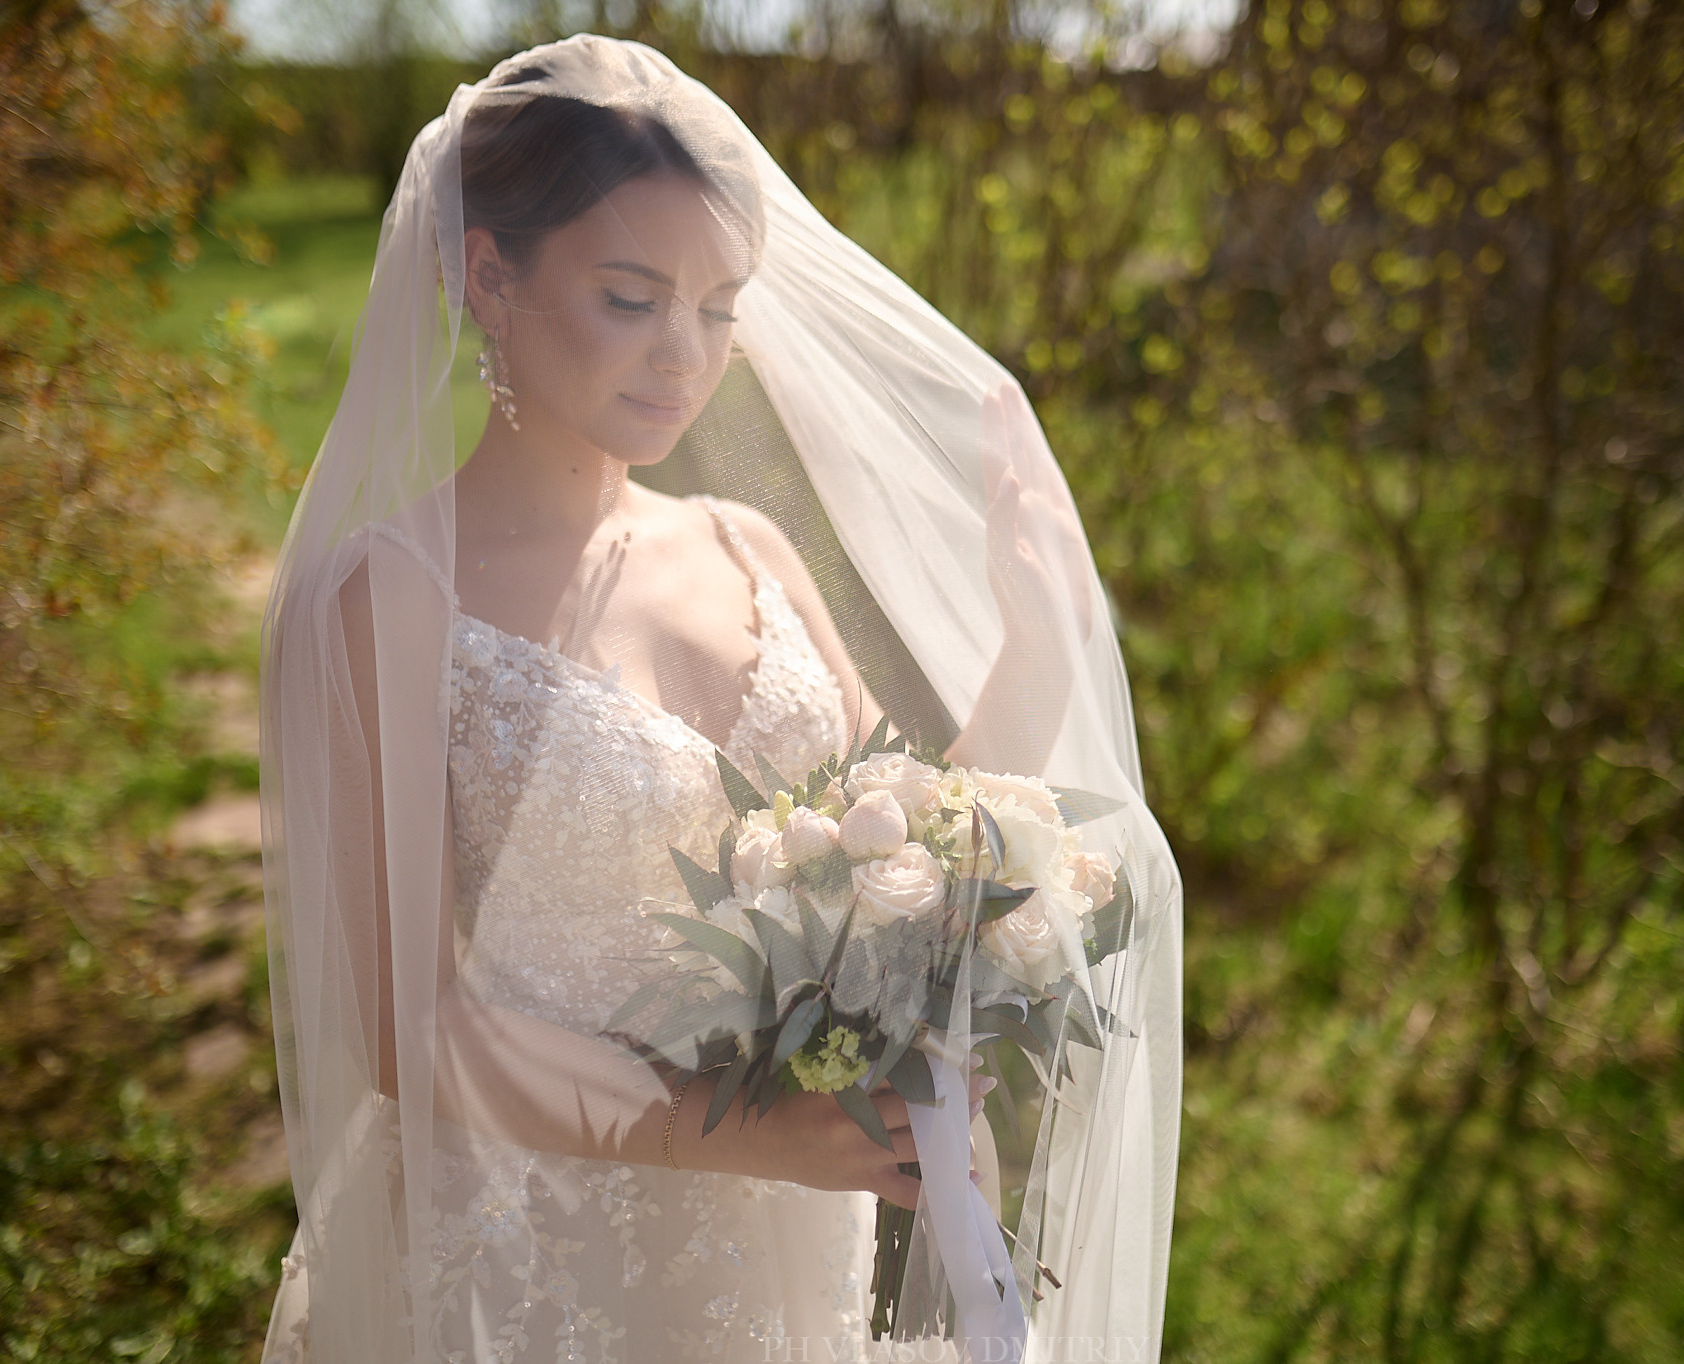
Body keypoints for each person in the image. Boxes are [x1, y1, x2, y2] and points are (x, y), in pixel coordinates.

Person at [258, 35, 1181, 1364]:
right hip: (529, 1267)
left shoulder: (749, 551)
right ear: (488, 275)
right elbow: (415, 1031)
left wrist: (1037, 653)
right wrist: (752, 1135)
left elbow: (894, 882)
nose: (684, 357)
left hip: (786, 1244)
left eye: (720, 305)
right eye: (632, 298)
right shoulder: (391, 603)